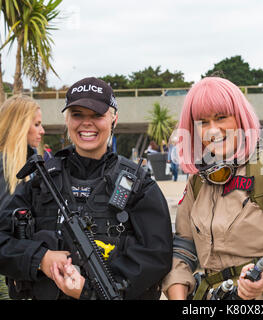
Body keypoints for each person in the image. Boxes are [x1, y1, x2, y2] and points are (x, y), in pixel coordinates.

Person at [0, 77, 173, 300]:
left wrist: (90, 291)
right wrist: (40, 258)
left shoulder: (138, 185)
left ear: (114, 119)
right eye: (77, 114)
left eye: (97, 115)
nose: (86, 123)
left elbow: (157, 255)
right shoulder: (41, 182)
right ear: (67, 120)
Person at [162, 77, 263, 300]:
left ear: (240, 118)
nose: (212, 130)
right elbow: (182, 250)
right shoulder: (198, 181)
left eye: (221, 118)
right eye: (202, 122)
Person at [0, 95, 45, 210]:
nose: (42, 131)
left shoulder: (30, 162)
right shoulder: (4, 164)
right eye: (36, 124)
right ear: (20, 126)